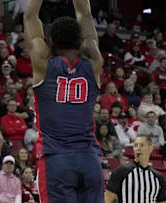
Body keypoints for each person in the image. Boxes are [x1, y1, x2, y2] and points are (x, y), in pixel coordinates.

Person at [24, 0, 104, 202]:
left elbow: (30, 18)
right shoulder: (94, 63)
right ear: (80, 40)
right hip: (89, 158)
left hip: (56, 160)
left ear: (50, 41)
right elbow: (85, 15)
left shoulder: (42, 64)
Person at [105, 134, 166, 203]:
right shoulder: (120, 171)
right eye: (135, 145)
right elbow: (107, 199)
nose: (138, 148)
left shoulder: (158, 177)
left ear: (150, 148)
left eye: (142, 145)